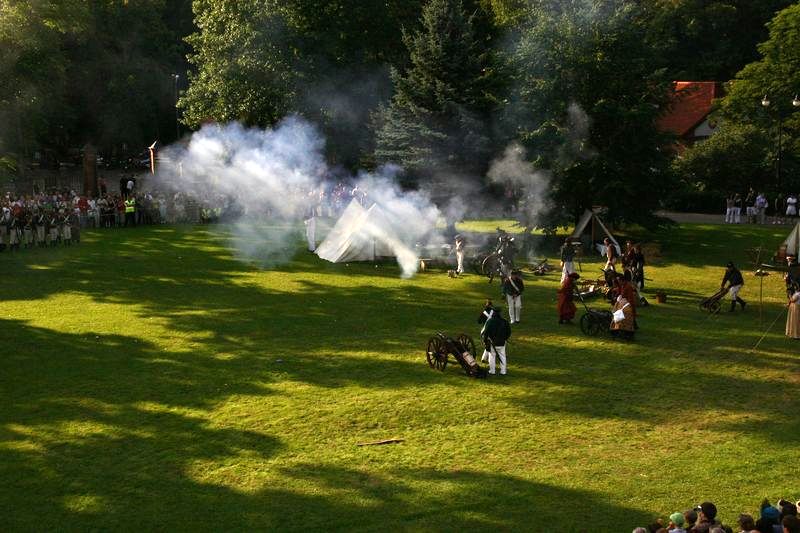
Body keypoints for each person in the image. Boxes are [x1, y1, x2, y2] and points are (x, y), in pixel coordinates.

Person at [479, 304, 511, 375]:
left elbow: (486, 333)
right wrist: (505, 338)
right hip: (502, 342)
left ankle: (492, 371)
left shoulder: (490, 321)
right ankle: (503, 371)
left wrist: (485, 341)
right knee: (502, 356)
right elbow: (509, 332)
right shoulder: (504, 321)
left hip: (492, 342)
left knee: (492, 356)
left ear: (493, 312)